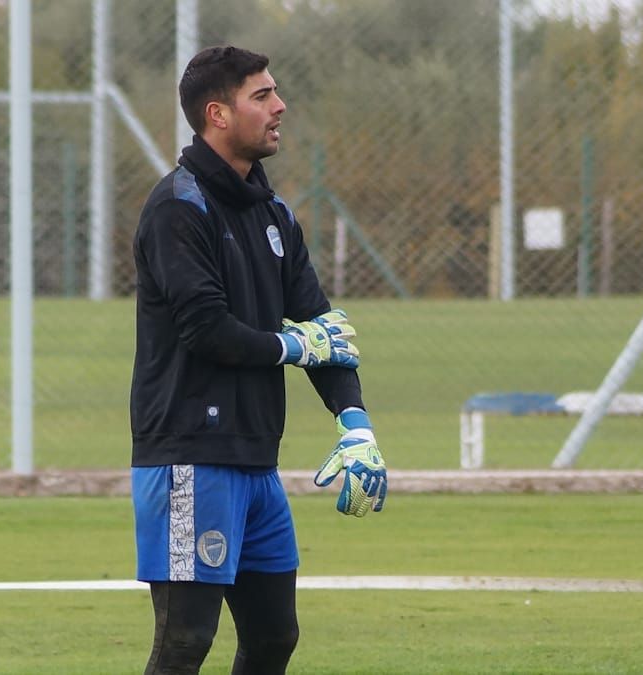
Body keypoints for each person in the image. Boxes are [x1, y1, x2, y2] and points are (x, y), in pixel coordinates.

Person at [129, 45, 388, 675]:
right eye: (262, 96)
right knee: (185, 641)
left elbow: (324, 327)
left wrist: (354, 423)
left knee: (275, 638)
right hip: (190, 455)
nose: (280, 107)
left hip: (256, 462)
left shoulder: (275, 214)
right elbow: (205, 329)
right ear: (217, 113)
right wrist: (291, 347)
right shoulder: (177, 209)